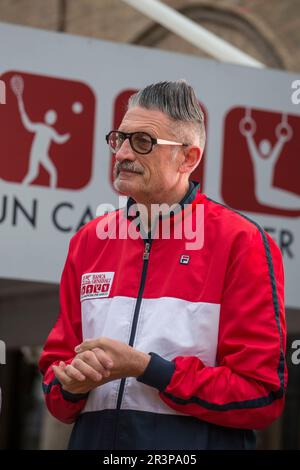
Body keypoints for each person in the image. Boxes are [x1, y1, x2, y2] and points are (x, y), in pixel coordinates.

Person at [39, 80, 287, 450]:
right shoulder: (89, 241)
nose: (122, 153)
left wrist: (147, 368)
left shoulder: (242, 241)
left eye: (142, 142)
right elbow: (55, 385)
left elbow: (261, 394)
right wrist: (70, 383)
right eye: (119, 139)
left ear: (188, 158)